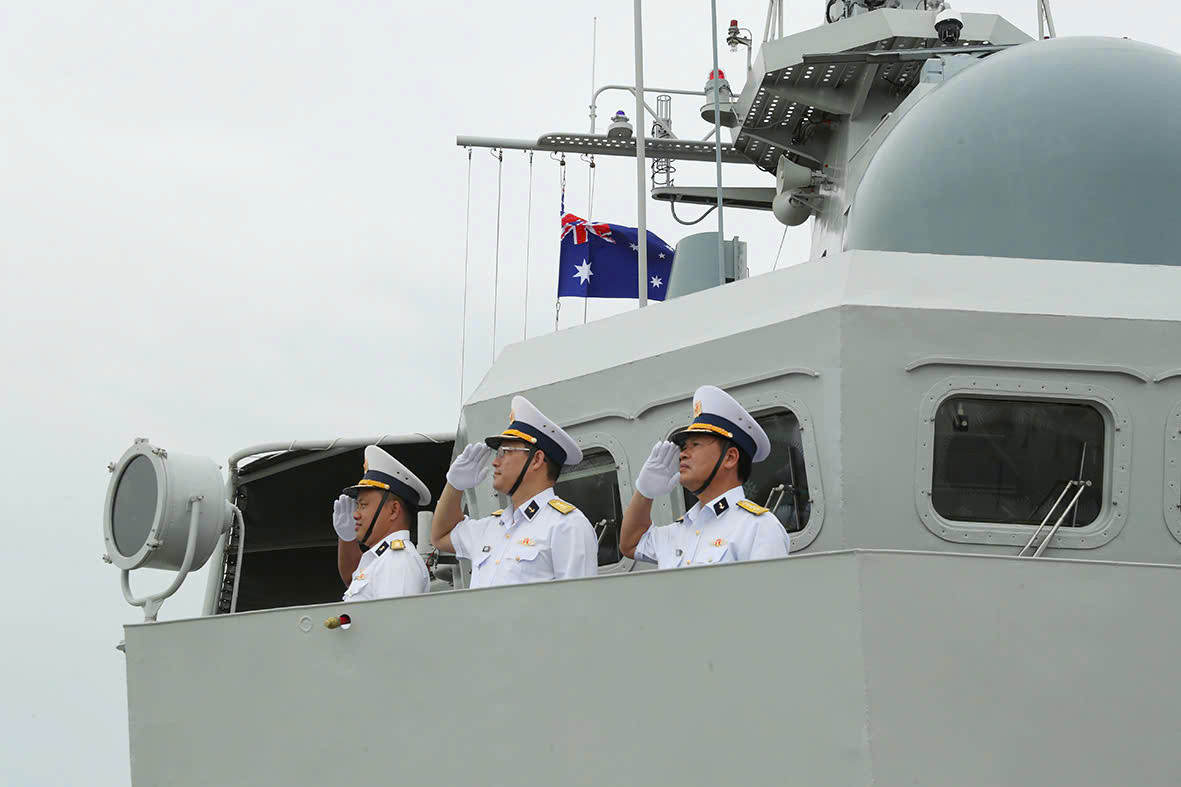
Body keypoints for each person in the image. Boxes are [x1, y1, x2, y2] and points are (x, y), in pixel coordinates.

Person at [431, 395, 597, 588]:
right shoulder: (491, 527)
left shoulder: (567, 526)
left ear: (536, 460)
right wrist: (454, 486)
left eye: (505, 452)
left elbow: (579, 601)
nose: (495, 462)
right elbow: (441, 536)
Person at [620, 385, 791, 568]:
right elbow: (631, 544)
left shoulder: (759, 528)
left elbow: (769, 587)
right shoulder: (679, 530)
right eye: (684, 447)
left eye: (695, 445)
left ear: (730, 458)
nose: (682, 454)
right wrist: (644, 492)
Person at [331, 445, 431, 601]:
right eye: (358, 506)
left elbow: (394, 616)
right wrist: (347, 538)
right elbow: (353, 579)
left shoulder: (397, 561)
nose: (356, 514)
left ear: (393, 510)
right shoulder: (384, 557)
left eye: (363, 505)